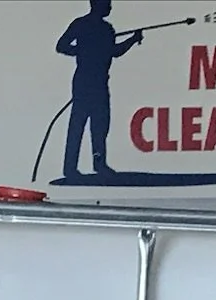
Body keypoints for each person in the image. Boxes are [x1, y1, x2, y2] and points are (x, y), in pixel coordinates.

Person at [56, 0, 143, 181]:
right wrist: (82, 50)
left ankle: (99, 164)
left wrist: (133, 40)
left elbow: (114, 51)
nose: (110, 8)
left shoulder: (107, 29)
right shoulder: (80, 24)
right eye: (107, 5)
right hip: (83, 82)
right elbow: (61, 46)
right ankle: (70, 168)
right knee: (77, 125)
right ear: (97, 5)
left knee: (100, 125)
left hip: (100, 82)